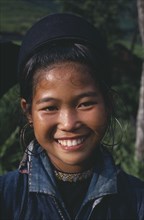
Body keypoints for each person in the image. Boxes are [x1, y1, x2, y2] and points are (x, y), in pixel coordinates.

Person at [0, 13, 144, 220]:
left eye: (85, 104)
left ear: (108, 103)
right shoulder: (6, 199)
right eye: (50, 108)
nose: (68, 123)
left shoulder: (137, 203)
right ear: (28, 112)